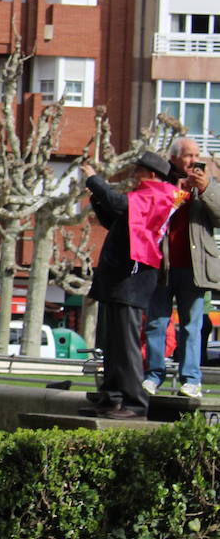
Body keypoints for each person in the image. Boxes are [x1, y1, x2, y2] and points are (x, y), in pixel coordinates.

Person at [81, 152, 178, 419]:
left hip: (131, 280)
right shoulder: (147, 195)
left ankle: (135, 404)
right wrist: (98, 196)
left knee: (126, 344)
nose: (135, 175)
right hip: (119, 279)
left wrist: (93, 179)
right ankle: (112, 398)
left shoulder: (159, 194)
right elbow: (116, 219)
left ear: (153, 174)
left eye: (139, 171)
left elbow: (119, 205)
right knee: (112, 344)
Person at [143, 138, 220, 399]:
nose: (193, 160)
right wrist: (173, 193)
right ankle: (153, 375)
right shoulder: (163, 183)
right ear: (174, 158)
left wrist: (206, 188)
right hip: (161, 264)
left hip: (195, 268)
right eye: (188, 155)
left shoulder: (207, 185)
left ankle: (191, 379)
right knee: (156, 323)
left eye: (197, 155)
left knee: (191, 326)